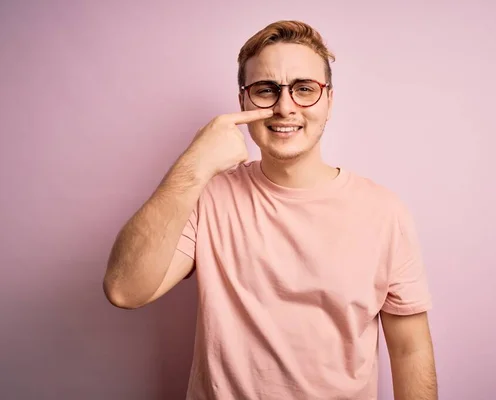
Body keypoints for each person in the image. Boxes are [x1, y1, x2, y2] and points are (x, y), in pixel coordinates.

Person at [103, 20, 438, 400]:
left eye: (304, 89)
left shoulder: (384, 212)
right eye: (266, 90)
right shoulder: (208, 196)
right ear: (244, 101)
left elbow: (410, 349)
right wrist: (194, 164)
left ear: (329, 100)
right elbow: (124, 290)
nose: (284, 107)